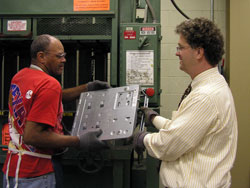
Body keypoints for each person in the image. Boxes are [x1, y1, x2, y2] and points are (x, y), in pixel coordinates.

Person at [133, 17, 238, 188]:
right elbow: (185, 130)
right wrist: (153, 118)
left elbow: (170, 145)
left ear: (198, 52)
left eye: (181, 47)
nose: (177, 53)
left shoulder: (205, 96)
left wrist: (142, 139)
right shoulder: (212, 85)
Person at [2, 34, 110, 188]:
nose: (64, 60)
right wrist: (79, 141)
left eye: (64, 56)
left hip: (14, 169)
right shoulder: (49, 84)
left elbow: (48, 98)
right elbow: (32, 136)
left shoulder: (20, 77)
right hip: (37, 172)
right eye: (59, 56)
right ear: (41, 57)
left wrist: (86, 88)